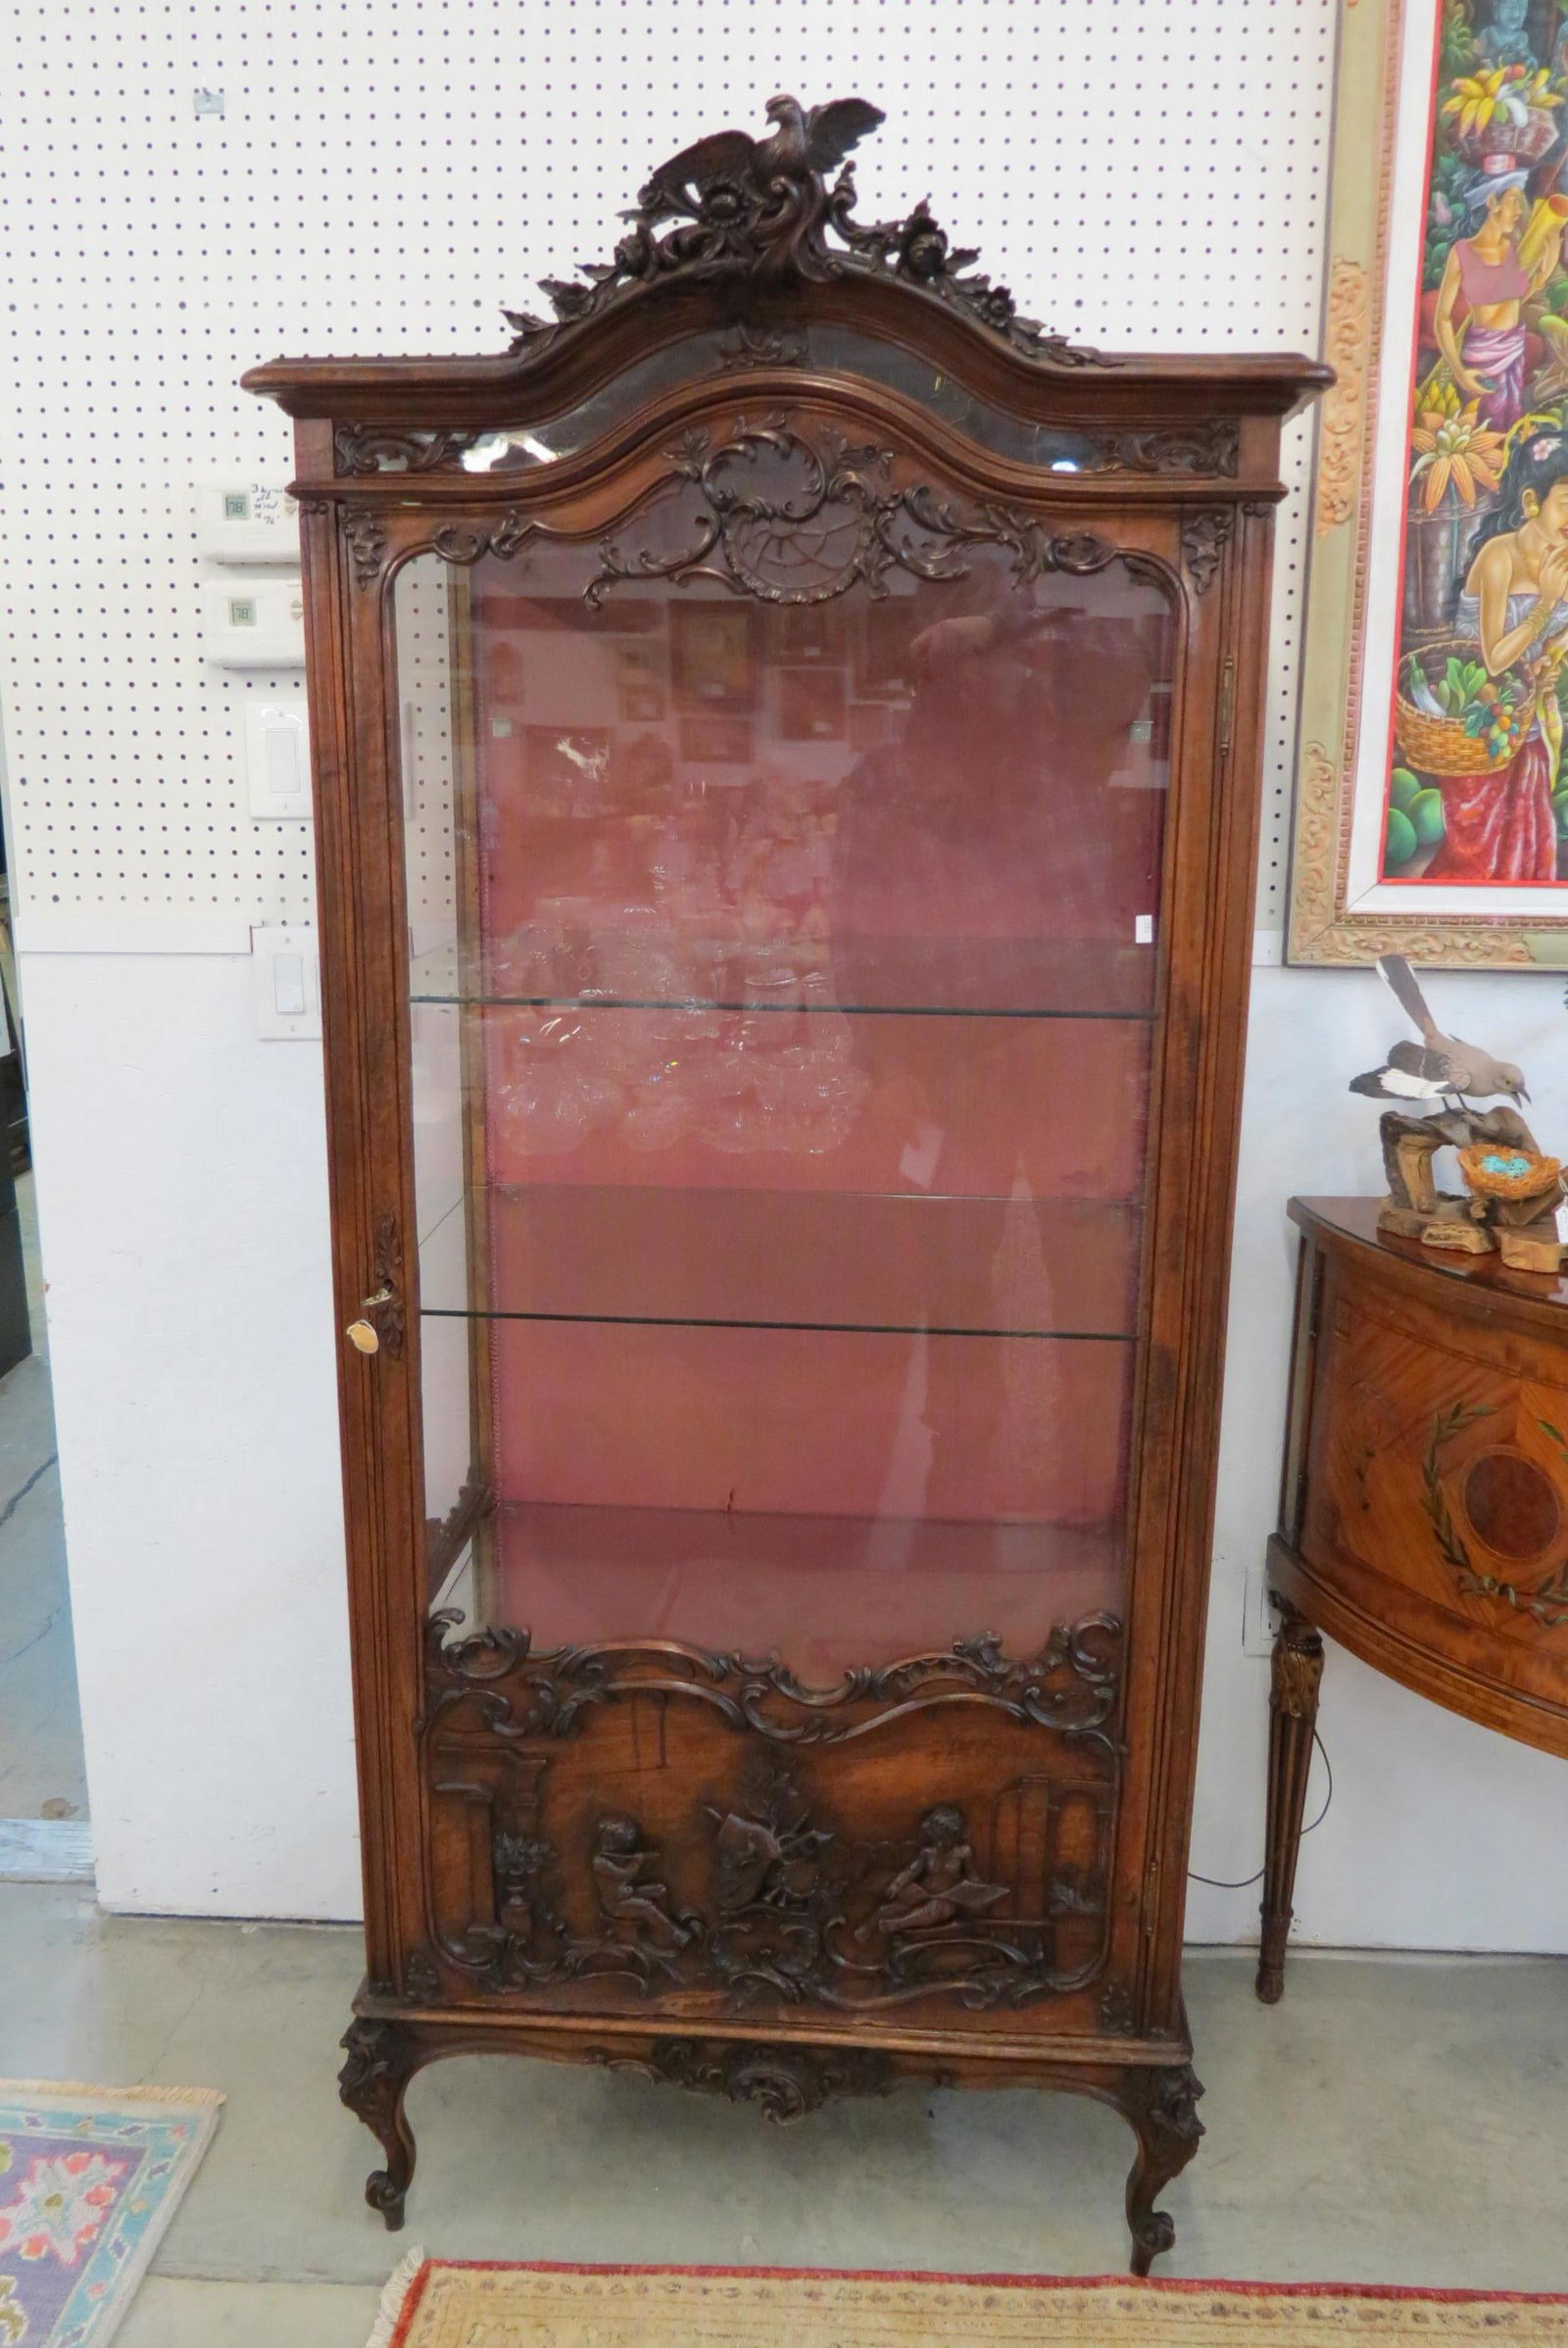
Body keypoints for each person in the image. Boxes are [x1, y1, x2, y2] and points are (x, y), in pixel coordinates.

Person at [1427, 428, 1568, 880]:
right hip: (1477, 724)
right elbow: (1493, 660)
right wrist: (1544, 603)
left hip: (1529, 722)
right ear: (1532, 502)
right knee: (1478, 852)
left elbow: (1558, 637)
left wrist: (1552, 654)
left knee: (1531, 843)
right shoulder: (1498, 557)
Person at [1433, 172, 1562, 433]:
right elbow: (1442, 318)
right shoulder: (1463, 252)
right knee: (1481, 430)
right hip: (1482, 358)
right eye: (1513, 201)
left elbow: (1517, 298)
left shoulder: (1514, 248)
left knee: (1509, 431)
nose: (1517, 212)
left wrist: (1545, 271)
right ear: (1492, 202)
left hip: (1513, 353)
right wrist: (1459, 372)